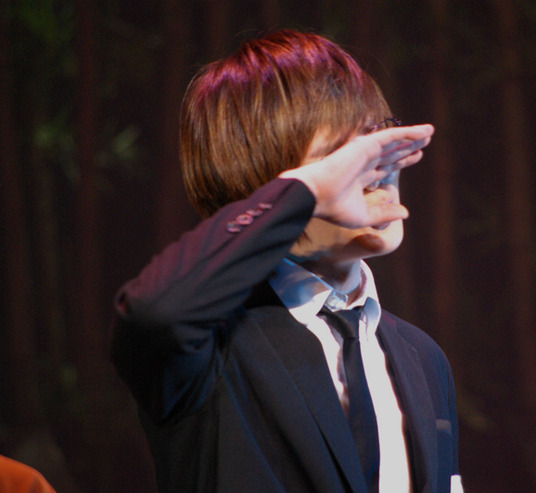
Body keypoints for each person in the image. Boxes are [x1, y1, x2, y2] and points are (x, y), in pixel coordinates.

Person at [111, 29, 461, 493]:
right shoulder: (212, 346)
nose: (379, 170)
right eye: (345, 155)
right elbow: (153, 314)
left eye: (380, 137)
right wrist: (307, 193)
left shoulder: (422, 357)